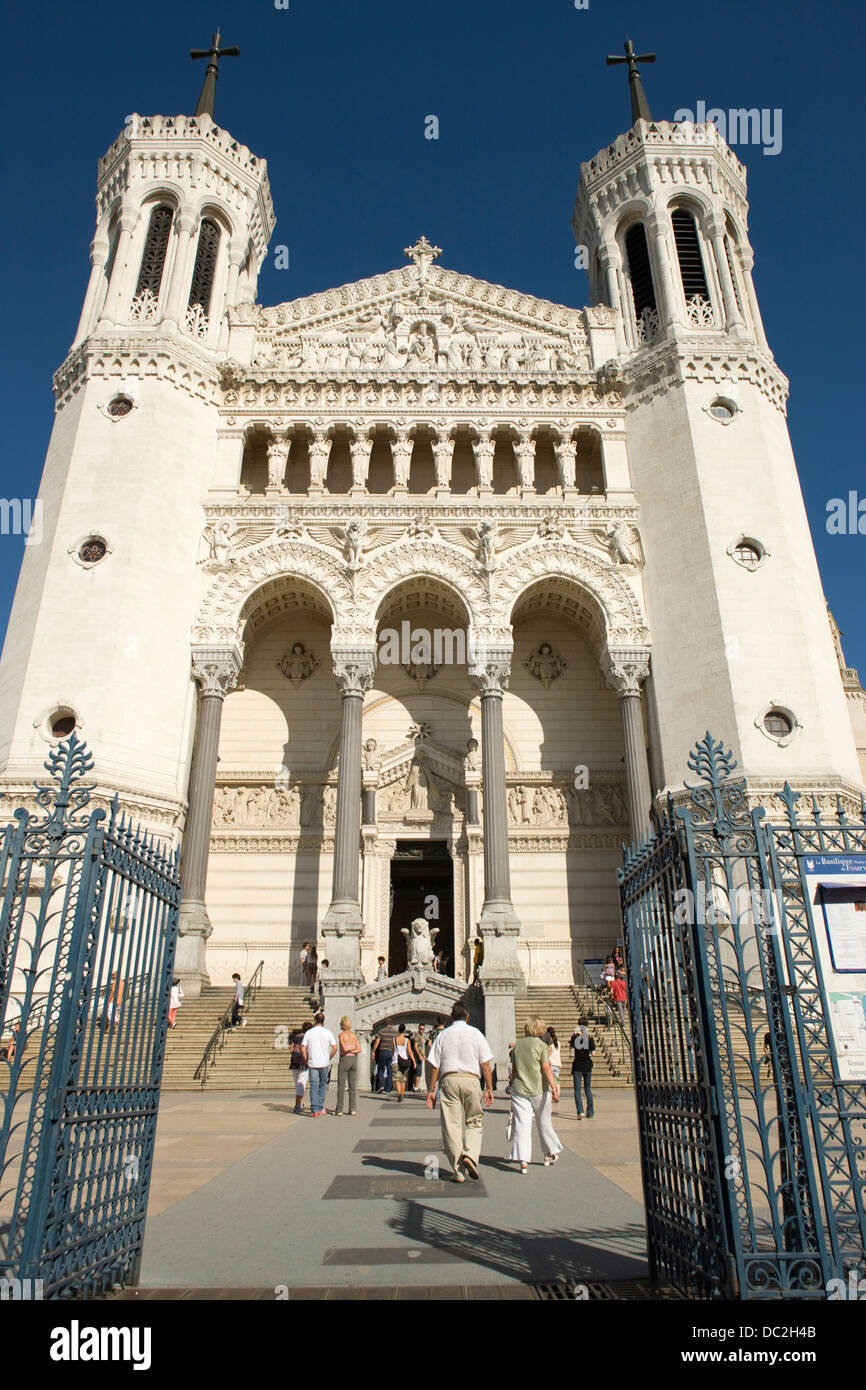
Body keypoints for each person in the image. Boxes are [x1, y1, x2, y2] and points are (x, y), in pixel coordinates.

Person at [426, 1001, 494, 1183]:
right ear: (468, 1017)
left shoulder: (443, 1035)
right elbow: (486, 1064)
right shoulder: (476, 1034)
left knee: (452, 1126)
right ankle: (470, 1155)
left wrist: (432, 1090)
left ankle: (458, 1171)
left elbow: (435, 1066)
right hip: (472, 1080)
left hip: (449, 1080)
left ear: (451, 1017)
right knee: (474, 1120)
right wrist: (489, 1088)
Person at [507, 1017, 562, 1174]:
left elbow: (515, 1068)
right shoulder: (541, 1045)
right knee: (544, 1122)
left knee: (522, 1125)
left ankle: (523, 1160)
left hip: (519, 1089)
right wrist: (554, 1087)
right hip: (539, 1088)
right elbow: (545, 1067)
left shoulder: (518, 1044)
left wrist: (512, 1082)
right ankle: (548, 1152)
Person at [301, 1011, 337, 1116]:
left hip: (312, 1063)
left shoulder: (309, 1032)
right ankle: (320, 1107)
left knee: (313, 1085)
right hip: (324, 1063)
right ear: (323, 1021)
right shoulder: (327, 1032)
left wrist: (305, 1058)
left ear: (315, 1020)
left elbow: (303, 1047)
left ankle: (314, 1109)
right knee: (322, 1085)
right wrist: (329, 1057)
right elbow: (335, 1047)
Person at [570, 1017, 595, 1119]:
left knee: (577, 1090)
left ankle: (580, 1111)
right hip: (587, 1064)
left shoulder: (574, 1037)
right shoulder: (589, 1038)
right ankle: (590, 1111)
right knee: (587, 1089)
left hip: (577, 1065)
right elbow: (593, 1053)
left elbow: (571, 1050)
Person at [335, 1015, 361, 1115]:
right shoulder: (354, 1035)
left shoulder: (341, 1035)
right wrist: (353, 1048)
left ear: (343, 1024)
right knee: (352, 1086)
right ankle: (352, 1109)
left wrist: (349, 1048)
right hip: (354, 1059)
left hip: (345, 1059)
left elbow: (344, 1048)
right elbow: (359, 1049)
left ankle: (339, 1110)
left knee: (341, 1085)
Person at [290, 1019, 312, 1113]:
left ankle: (299, 1103)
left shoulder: (296, 1036)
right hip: (303, 1062)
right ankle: (297, 1104)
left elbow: (291, 1049)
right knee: (301, 1083)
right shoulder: (308, 1038)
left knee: (297, 1083)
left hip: (294, 1061)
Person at [372, 1016, 397, 1094]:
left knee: (380, 1069)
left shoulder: (381, 1031)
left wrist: (373, 1051)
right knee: (389, 1071)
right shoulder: (395, 1032)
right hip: (390, 1052)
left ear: (385, 1024)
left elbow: (377, 1042)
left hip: (383, 1051)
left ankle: (381, 1086)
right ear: (392, 1024)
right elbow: (396, 1043)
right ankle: (388, 1089)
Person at [393, 1022, 418, 1103]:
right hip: (405, 1061)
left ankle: (399, 1094)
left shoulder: (394, 1040)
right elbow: (410, 1051)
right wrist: (414, 1061)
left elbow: (392, 1050)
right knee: (403, 1079)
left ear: (398, 1030)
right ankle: (402, 1095)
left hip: (396, 1060)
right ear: (404, 1030)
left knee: (397, 1079)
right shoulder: (407, 1040)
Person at [546, 1026, 562, 1101]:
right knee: (557, 1081)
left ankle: (553, 1095)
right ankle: (557, 1095)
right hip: (557, 1064)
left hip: (551, 1064)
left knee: (550, 1082)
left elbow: (548, 1053)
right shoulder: (558, 1042)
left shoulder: (549, 1043)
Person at [412, 1022, 428, 1091]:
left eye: (423, 1029)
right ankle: (416, 1087)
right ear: (418, 1028)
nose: (422, 1030)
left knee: (418, 1071)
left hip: (420, 1054)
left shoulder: (422, 1036)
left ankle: (416, 1086)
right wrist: (419, 1055)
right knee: (418, 1071)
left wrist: (423, 1055)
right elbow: (415, 1047)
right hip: (416, 1054)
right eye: (421, 1029)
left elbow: (421, 1047)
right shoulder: (417, 1036)